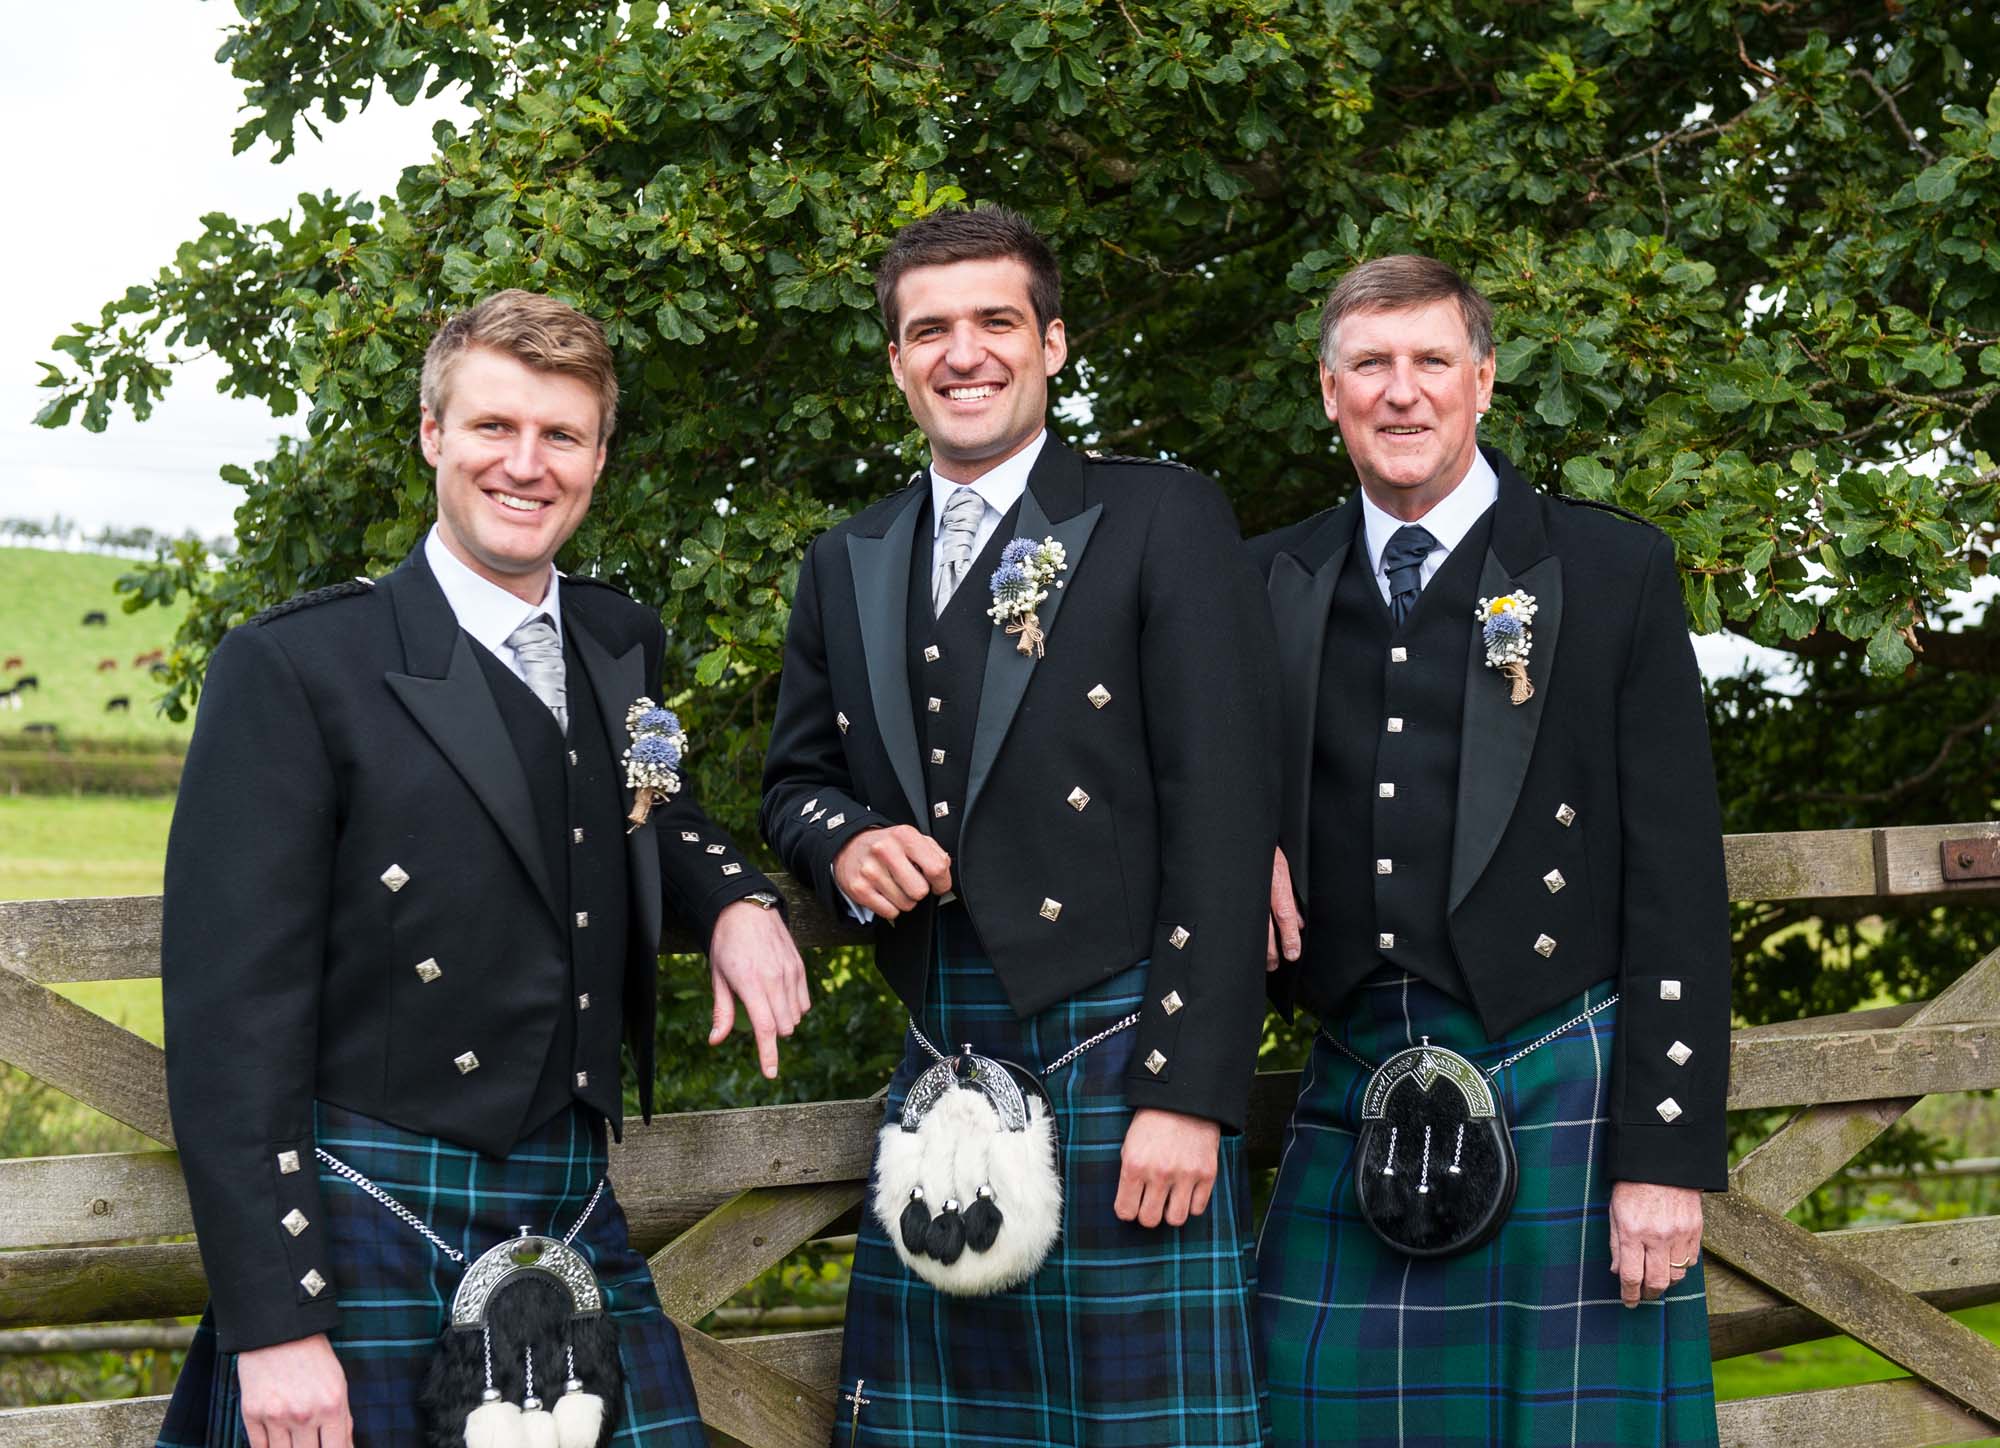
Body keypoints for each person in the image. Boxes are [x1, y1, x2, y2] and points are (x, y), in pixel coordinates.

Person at [154, 290, 808, 1448]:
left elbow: (651, 803)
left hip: (568, 1191)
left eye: (561, 434)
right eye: (493, 426)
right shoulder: (298, 665)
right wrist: (277, 1323)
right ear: (432, 434)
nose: (525, 463)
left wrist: (735, 896)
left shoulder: (619, 638)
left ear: (597, 458)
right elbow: (228, 1024)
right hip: (371, 1201)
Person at [760, 205, 1279, 1447]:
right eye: (928, 329)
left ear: (1050, 344)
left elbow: (1223, 807)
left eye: (995, 321)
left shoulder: (1159, 516)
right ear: (896, 359)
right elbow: (793, 780)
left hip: (1122, 1051)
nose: (963, 353)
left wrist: (1188, 1088)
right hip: (942, 1055)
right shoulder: (847, 557)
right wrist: (842, 841)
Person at [1251, 255, 1727, 1446]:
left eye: (1430, 360)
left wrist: (1662, 1154)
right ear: (1328, 391)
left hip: (1560, 1071)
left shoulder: (1608, 570)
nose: (1400, 390)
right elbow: (1181, 774)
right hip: (1353, 1070)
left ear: (1483, 379)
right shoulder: (1267, 580)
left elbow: (1675, 877)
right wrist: (1242, 843)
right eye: (1369, 364)